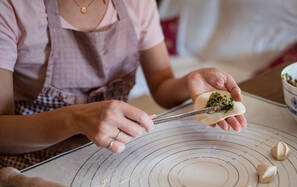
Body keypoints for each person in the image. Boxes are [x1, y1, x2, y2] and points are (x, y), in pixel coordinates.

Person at [0, 0, 247, 169]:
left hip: (111, 157)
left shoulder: (137, 3)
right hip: (32, 163)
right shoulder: (11, 8)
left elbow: (162, 86)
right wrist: (76, 119)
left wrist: (189, 81)